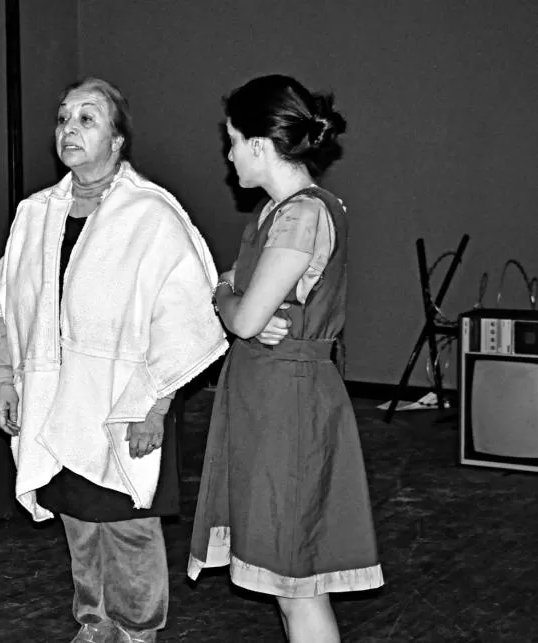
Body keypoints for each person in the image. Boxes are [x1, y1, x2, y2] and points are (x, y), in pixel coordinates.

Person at [0, 77, 228, 643]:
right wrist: (5, 378)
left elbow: (186, 317)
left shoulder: (151, 214)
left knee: (126, 525)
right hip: (55, 397)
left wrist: (154, 406)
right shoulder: (35, 214)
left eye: (87, 119)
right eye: (62, 118)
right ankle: (95, 623)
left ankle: (137, 629)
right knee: (78, 521)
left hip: (126, 400)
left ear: (117, 140)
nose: (69, 129)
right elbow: (8, 305)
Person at [188, 75, 384, 642]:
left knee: (297, 585)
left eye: (232, 142)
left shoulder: (302, 214)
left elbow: (244, 317)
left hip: (289, 406)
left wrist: (224, 296)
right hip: (268, 398)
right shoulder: (277, 213)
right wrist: (234, 296)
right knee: (284, 581)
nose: (229, 156)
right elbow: (244, 299)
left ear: (258, 144)